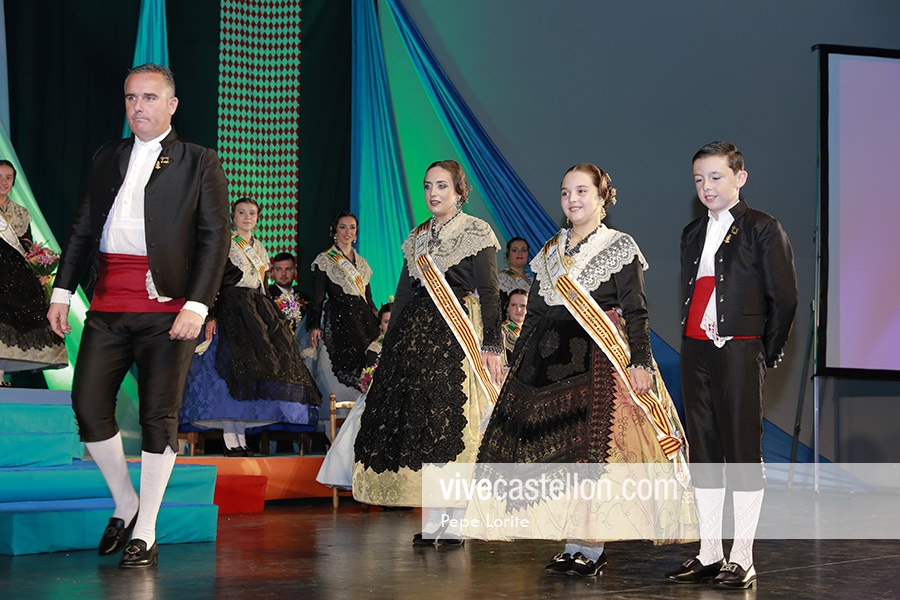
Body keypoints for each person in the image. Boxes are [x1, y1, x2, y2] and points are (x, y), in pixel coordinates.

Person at [46, 64, 231, 569]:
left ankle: (146, 529)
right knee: (87, 407)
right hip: (108, 304)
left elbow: (215, 238)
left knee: (158, 417)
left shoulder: (200, 160)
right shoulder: (107, 156)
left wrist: (197, 305)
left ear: (172, 104)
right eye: (131, 97)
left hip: (170, 312)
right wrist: (62, 291)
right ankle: (125, 502)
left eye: (149, 97)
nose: (138, 107)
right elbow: (82, 229)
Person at [473, 164, 692, 576]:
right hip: (548, 364)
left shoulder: (619, 246)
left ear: (601, 197)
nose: (572, 200)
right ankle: (571, 544)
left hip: (598, 361)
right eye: (565, 192)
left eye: (581, 191)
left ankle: (591, 548)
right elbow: (535, 314)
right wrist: (518, 366)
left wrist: (640, 361)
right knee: (560, 454)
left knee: (592, 453)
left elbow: (636, 311)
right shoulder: (549, 252)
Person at [665, 141, 797, 590]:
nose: (706, 186)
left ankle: (742, 557)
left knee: (742, 453)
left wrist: (763, 350)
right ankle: (709, 553)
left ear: (740, 178)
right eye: (699, 179)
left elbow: (785, 298)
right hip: (695, 351)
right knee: (703, 453)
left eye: (716, 177)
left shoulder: (762, 227)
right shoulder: (691, 232)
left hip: (740, 350)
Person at [352, 159, 504, 543]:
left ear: (459, 191)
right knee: (422, 426)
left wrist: (492, 344)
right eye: (427, 185)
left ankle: (455, 521)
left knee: (449, 423)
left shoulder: (477, 231)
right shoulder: (417, 237)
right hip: (416, 339)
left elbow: (490, 291)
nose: (433, 193)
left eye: (441, 185)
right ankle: (435, 519)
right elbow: (403, 295)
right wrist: (389, 349)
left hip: (456, 335)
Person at [178, 198, 322, 456]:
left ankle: (241, 437)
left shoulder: (261, 249)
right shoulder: (226, 242)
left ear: (257, 218)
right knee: (229, 374)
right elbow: (213, 279)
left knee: (252, 374)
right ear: (233, 216)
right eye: (242, 212)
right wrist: (211, 314)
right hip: (230, 308)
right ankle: (229, 437)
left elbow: (261, 285)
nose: (247, 217)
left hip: (255, 309)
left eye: (252, 213)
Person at [0, 160, 68, 385]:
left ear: (13, 182)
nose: (3, 182)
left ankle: (1, 376)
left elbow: (27, 246)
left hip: (15, 277)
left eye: (8, 177)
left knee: (10, 325)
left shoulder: (21, 213)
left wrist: (39, 269)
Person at [315, 301, 392, 491]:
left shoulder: (407, 344)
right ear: (380, 324)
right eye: (385, 321)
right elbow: (369, 376)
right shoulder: (375, 347)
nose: (389, 325)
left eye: (393, 320)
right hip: (375, 398)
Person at [306, 212, 380, 403]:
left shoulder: (362, 263)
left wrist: (377, 317)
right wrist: (315, 324)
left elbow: (368, 297)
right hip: (338, 318)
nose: (348, 232)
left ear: (356, 232)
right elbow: (318, 295)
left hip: (362, 319)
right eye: (343, 227)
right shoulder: (325, 259)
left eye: (352, 227)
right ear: (335, 231)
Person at [267, 251, 310, 322]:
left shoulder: (305, 298)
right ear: (273, 273)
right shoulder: (267, 297)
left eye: (288, 269)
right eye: (278, 269)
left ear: (295, 272)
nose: (283, 273)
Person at [497, 236, 533, 308]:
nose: (519, 253)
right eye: (514, 250)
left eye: (524, 250)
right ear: (508, 255)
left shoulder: (533, 281)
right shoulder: (500, 279)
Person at [500, 288, 527, 363]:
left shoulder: (533, 332)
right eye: (513, 305)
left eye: (523, 306)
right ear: (508, 307)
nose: (518, 309)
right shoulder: (501, 330)